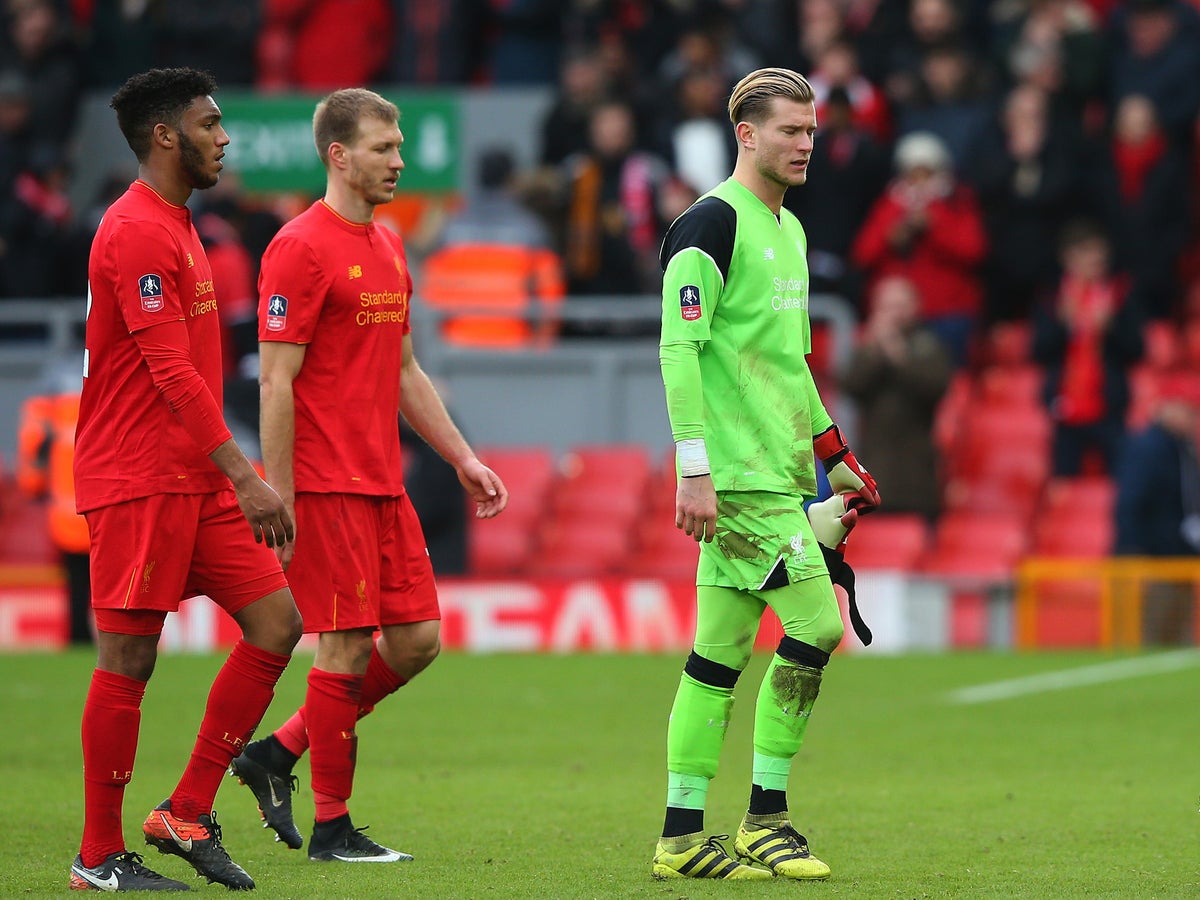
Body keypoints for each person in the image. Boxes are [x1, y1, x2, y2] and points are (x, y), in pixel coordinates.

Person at [229, 87, 508, 864]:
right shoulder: (298, 246)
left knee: (417, 641)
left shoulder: (388, 247)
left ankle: (277, 752)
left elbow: (407, 370)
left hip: (383, 482)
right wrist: (278, 497)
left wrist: (462, 457)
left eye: (400, 146)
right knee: (345, 648)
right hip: (324, 484)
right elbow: (275, 383)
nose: (400, 160)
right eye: (385, 148)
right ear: (338, 155)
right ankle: (332, 828)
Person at [68, 67, 302, 893]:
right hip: (138, 476)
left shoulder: (179, 225)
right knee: (128, 660)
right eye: (210, 124)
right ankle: (98, 858)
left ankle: (187, 810)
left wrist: (225, 476)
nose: (225, 137)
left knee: (277, 622)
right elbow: (170, 372)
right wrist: (246, 475)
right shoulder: (135, 230)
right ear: (166, 136)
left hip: (190, 478)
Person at [652, 67, 881, 882]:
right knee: (816, 625)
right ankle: (765, 819)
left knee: (717, 656)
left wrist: (833, 452)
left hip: (779, 471)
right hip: (737, 476)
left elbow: (788, 365)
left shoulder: (790, 231)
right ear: (746, 134)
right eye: (790, 130)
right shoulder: (710, 224)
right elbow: (679, 350)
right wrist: (694, 469)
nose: (806, 144)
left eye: (812, 131)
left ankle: (682, 836)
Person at [1032, 219, 1144, 476]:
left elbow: (1137, 350)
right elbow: (1038, 352)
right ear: (1069, 257)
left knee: (1120, 481)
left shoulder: (1120, 296)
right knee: (1063, 485)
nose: (1097, 259)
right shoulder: (1053, 298)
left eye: (1100, 252)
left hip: (1109, 407)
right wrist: (1063, 325)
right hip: (1065, 408)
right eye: (1088, 252)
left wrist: (1110, 327)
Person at [838, 275, 951, 522]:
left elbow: (934, 388)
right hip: (875, 467)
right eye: (885, 307)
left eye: (899, 306)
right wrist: (873, 351)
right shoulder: (868, 349)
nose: (893, 315)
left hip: (916, 472)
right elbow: (850, 385)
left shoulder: (928, 345)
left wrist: (894, 351)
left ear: (915, 307)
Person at [1113, 379, 1200, 643]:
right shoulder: (1147, 448)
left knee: (1177, 638)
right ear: (1164, 408)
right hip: (1153, 562)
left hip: (1179, 561)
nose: (1193, 418)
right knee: (1147, 637)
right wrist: (1133, 553)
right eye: (1188, 410)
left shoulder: (1183, 449)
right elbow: (1130, 502)